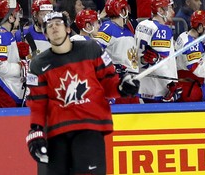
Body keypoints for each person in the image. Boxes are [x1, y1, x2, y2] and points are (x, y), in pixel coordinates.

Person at [25, 11, 139, 173]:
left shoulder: (91, 49)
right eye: (49, 26)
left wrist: (122, 87)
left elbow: (108, 84)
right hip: (57, 131)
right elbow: (38, 103)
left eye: (58, 23)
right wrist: (36, 130)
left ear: (68, 29)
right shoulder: (38, 65)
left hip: (88, 125)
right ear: (45, 34)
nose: (54, 28)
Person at [0, 0, 30, 107]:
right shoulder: (1, 35)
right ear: (11, 17)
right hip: (2, 88)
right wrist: (21, 67)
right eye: (17, 15)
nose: (19, 18)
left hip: (2, 87)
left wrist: (16, 52)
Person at [135, 0, 181, 103]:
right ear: (160, 10)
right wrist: (171, 83)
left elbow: (142, 57)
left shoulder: (141, 25)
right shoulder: (162, 30)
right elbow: (160, 62)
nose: (173, 12)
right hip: (159, 89)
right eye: (169, 8)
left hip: (142, 85)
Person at [94, 0, 139, 104]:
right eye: (125, 8)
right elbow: (96, 50)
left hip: (131, 80)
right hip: (118, 83)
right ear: (122, 10)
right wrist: (112, 66)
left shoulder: (128, 30)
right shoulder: (108, 28)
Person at [174, 10, 205, 102]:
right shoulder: (192, 44)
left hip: (184, 85)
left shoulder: (184, 35)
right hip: (190, 89)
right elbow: (198, 71)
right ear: (200, 27)